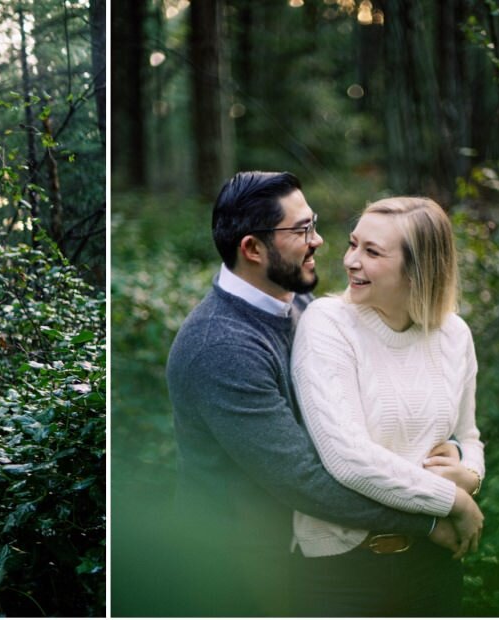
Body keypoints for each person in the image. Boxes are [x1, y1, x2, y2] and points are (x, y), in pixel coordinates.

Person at [165, 171, 460, 616]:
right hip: (237, 575)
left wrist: (450, 452)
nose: (319, 240)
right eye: (301, 230)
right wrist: (429, 517)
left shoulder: (303, 308)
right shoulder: (221, 346)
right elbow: (301, 477)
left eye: (313, 223)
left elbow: (375, 409)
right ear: (252, 248)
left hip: (300, 561)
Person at [290, 196, 484, 616]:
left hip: (435, 561)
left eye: (372, 252)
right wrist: (452, 500)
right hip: (344, 570)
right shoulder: (327, 324)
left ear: (419, 269)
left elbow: (469, 435)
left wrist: (470, 474)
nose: (350, 261)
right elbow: (347, 458)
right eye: (353, 244)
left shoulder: (454, 335)